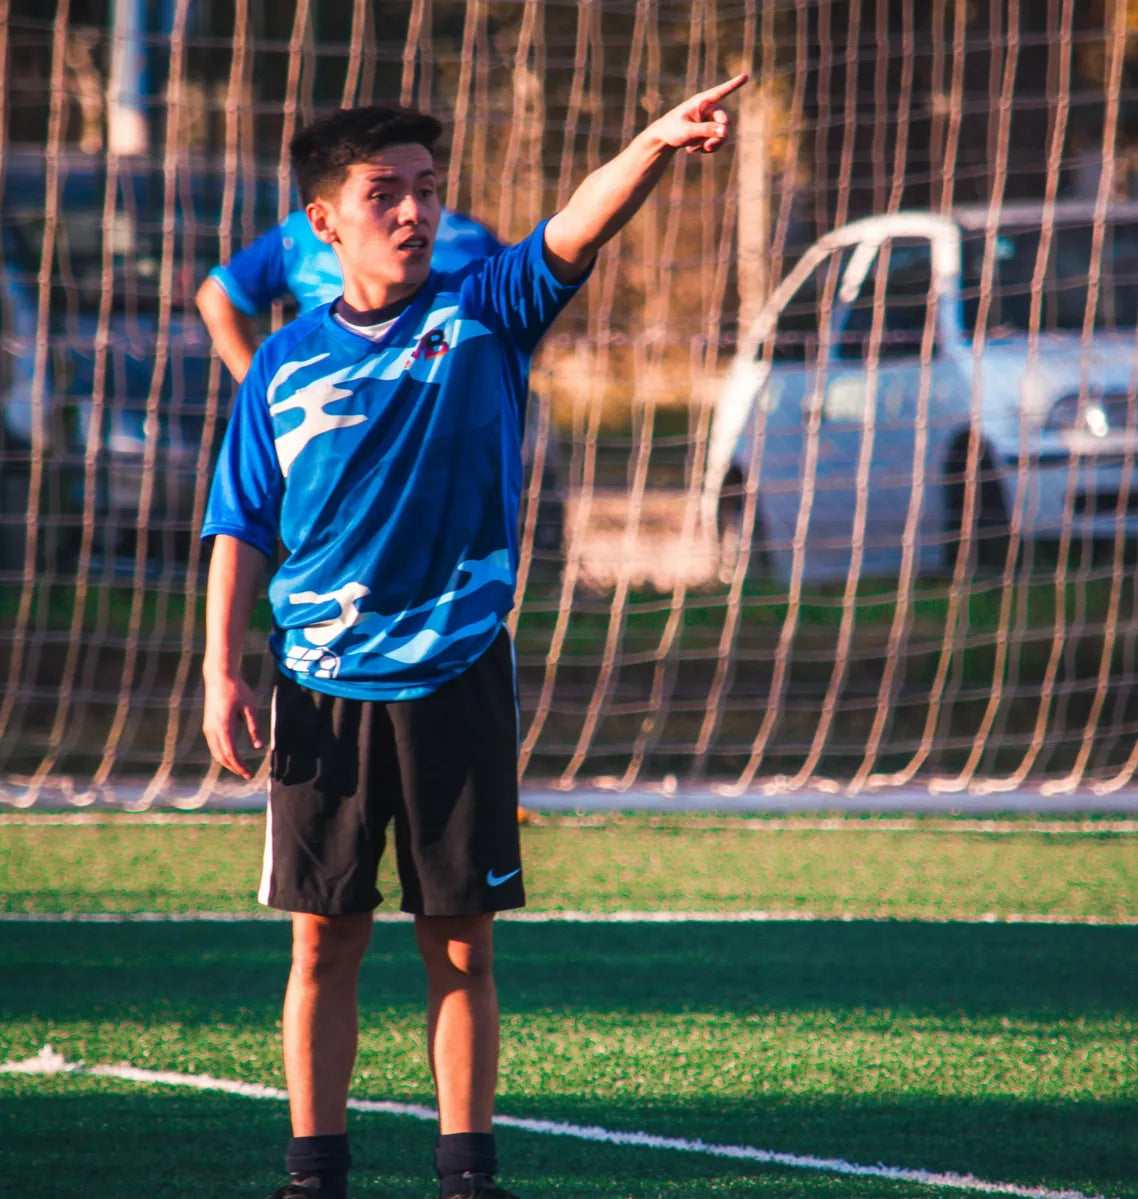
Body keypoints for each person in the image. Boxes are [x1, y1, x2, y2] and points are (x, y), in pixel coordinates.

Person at [201, 77, 746, 1199]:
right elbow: (239, 524)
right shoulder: (281, 364)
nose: (413, 212)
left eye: (428, 191)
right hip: (319, 684)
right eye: (384, 193)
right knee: (321, 942)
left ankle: (467, 1170)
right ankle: (314, 1171)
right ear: (325, 221)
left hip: (455, 676)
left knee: (460, 944)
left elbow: (578, 221)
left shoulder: (485, 315)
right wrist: (218, 667)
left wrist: (647, 140)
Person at [196, 202, 503, 382]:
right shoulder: (306, 231)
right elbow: (218, 295)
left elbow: (528, 310)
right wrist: (260, 389)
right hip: (333, 417)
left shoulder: (471, 237)